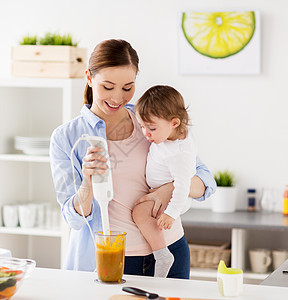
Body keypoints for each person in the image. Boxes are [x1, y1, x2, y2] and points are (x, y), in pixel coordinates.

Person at [49, 39, 216, 279]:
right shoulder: (67, 137)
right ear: (89, 78)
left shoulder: (149, 117)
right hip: (116, 259)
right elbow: (73, 219)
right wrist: (87, 181)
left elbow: (205, 180)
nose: (118, 98)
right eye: (108, 87)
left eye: (127, 87)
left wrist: (167, 189)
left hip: (171, 248)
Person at [132, 85, 197, 278]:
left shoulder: (179, 153)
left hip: (175, 199)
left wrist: (170, 213)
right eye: (142, 126)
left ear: (174, 123)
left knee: (140, 212)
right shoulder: (168, 137)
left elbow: (183, 185)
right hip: (163, 192)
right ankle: (161, 253)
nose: (146, 133)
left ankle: (162, 255)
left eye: (151, 128)